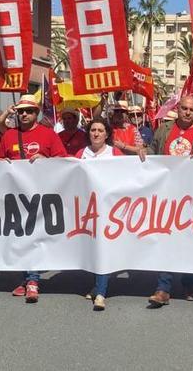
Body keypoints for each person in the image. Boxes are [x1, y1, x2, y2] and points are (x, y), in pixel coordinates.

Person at [0, 94, 69, 303]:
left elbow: (63, 160)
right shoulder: (9, 136)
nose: (24, 114)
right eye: (21, 111)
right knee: (20, 237)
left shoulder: (49, 135)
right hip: (16, 196)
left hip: (41, 195)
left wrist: (46, 160)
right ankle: (26, 278)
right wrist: (4, 162)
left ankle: (33, 280)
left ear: (36, 113)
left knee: (34, 237)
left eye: (28, 111)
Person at [146, 95, 193, 308]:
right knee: (167, 239)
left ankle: (189, 282)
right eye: (184, 109)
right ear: (178, 109)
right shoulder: (164, 129)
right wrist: (143, 153)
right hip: (167, 194)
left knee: (190, 241)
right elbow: (153, 151)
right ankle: (163, 288)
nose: (187, 113)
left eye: (191, 110)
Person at [74, 117, 124, 310]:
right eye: (93, 130)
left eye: (100, 130)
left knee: (103, 247)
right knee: (93, 247)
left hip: (109, 209)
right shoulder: (81, 153)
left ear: (107, 134)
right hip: (87, 209)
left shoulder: (115, 153)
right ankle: (97, 284)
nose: (96, 133)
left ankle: (101, 292)